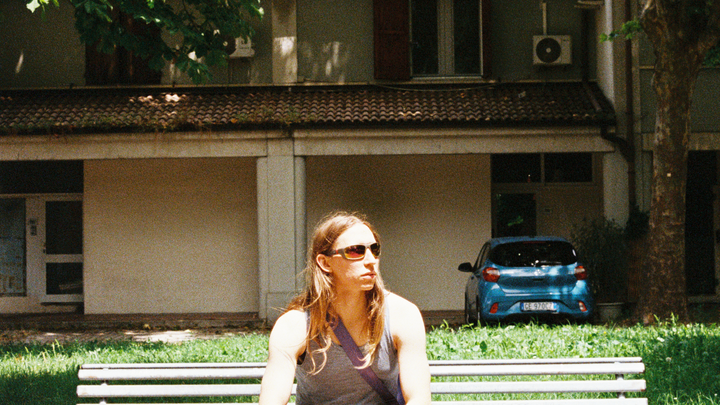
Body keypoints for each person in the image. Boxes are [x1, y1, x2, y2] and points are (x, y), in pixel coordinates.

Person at [259, 211, 431, 405]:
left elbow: (419, 398)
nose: (371, 260)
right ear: (325, 263)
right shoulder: (295, 325)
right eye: (356, 251)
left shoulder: (403, 315)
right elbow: (271, 399)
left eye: (374, 249)